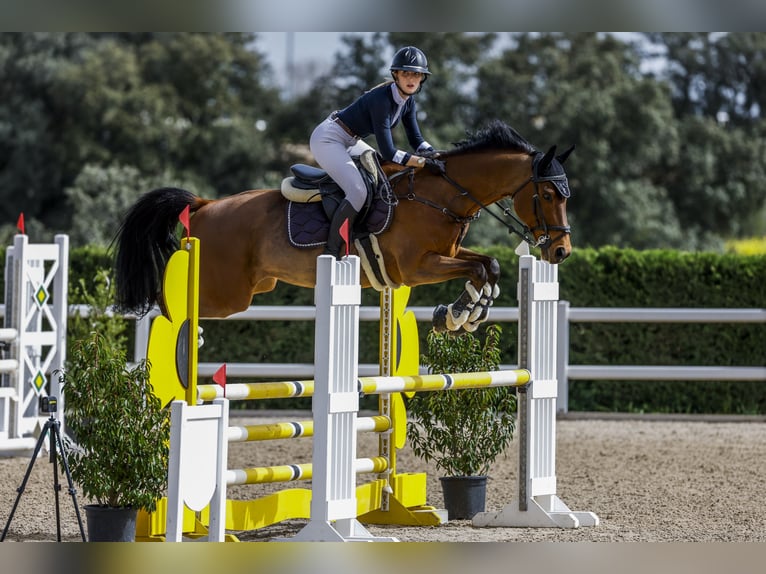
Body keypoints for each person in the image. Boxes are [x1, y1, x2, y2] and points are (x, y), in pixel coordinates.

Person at [310, 45, 445, 259]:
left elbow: (416, 140)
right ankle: (331, 250)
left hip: (351, 139)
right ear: (396, 75)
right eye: (406, 73)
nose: (411, 79)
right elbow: (389, 151)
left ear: (422, 79)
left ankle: (363, 231)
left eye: (416, 74)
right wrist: (421, 163)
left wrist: (436, 154)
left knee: (380, 173)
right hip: (328, 138)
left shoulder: (409, 102)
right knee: (358, 190)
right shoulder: (381, 100)